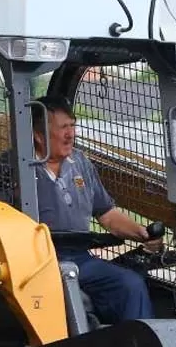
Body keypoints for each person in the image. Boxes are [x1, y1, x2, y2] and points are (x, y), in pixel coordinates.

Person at [31, 94, 163, 323]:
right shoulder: (14, 168)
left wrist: (141, 233)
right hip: (37, 262)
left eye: (72, 126)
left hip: (79, 258)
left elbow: (107, 215)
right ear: (39, 135)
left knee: (130, 285)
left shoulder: (81, 163)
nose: (70, 134)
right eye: (63, 127)